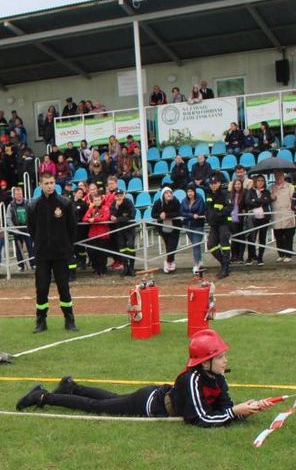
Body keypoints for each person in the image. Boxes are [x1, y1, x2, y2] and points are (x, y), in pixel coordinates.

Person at [15, 329, 267, 426]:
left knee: (112, 399)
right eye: (220, 356)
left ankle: (72, 386)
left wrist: (245, 409)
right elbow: (199, 418)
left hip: (152, 395)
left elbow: (223, 407)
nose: (226, 360)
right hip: (148, 404)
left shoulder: (218, 377)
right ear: (205, 361)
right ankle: (43, 396)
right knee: (99, 407)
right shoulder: (191, 379)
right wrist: (234, 413)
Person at [27, 172, 78, 333]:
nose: (50, 186)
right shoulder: (33, 205)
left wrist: (65, 245)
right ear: (41, 185)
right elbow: (31, 230)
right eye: (46, 183)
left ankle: (69, 320)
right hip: (42, 255)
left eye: (52, 182)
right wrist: (41, 243)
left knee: (64, 288)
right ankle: (41, 322)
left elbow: (72, 228)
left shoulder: (65, 203)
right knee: (41, 289)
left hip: (60, 254)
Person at [205, 177, 232, 278]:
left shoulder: (224, 193)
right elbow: (207, 208)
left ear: (219, 183)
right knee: (211, 245)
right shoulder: (209, 194)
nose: (213, 185)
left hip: (224, 223)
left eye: (215, 183)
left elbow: (230, 207)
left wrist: (220, 213)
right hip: (214, 224)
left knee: (224, 244)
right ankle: (224, 264)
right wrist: (208, 218)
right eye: (211, 183)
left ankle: (225, 268)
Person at [152, 187, 182, 273]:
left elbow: (179, 212)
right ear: (163, 195)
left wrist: (167, 215)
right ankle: (171, 262)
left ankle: (168, 261)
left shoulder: (175, 201)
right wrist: (159, 216)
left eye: (170, 193)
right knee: (168, 245)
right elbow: (153, 214)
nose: (169, 194)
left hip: (175, 227)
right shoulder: (158, 202)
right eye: (167, 193)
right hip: (162, 227)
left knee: (172, 245)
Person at [243, 175, 272, 265]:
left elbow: (266, 201)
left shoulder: (266, 192)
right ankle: (250, 257)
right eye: (259, 180)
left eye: (262, 181)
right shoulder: (250, 191)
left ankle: (260, 257)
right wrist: (259, 200)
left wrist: (255, 200)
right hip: (252, 219)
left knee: (262, 238)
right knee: (251, 238)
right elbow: (247, 202)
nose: (260, 182)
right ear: (255, 181)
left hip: (264, 218)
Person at [269, 171, 296, 263]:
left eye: (279, 175)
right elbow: (268, 198)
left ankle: (288, 254)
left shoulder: (290, 186)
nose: (278, 177)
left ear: (283, 176)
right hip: (276, 214)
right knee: (278, 236)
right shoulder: (271, 187)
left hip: (287, 213)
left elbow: (294, 198)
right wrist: (271, 197)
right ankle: (281, 254)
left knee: (288, 236)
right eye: (276, 176)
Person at [179, 185, 206, 273]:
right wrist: (192, 215)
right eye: (188, 191)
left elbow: (201, 210)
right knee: (195, 244)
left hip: (198, 225)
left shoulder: (200, 199)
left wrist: (194, 214)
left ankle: (196, 264)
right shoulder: (184, 201)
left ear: (194, 192)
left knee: (195, 244)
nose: (190, 193)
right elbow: (182, 212)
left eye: (191, 191)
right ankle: (200, 260)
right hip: (187, 225)